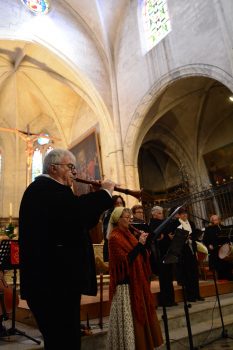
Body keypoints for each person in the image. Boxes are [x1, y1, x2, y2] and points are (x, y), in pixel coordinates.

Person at [19, 148, 115, 350]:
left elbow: (79, 222)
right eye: (70, 167)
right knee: (63, 341)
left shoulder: (53, 192)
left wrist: (97, 198)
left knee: (65, 340)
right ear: (53, 168)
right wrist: (106, 193)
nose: (75, 172)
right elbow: (74, 212)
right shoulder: (42, 190)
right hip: (52, 285)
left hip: (57, 284)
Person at [106, 207, 163, 350]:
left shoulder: (129, 234)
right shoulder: (114, 237)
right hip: (125, 286)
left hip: (137, 282)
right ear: (118, 220)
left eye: (130, 217)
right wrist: (139, 245)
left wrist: (143, 242)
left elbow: (140, 255)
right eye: (126, 217)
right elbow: (125, 261)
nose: (130, 219)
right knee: (130, 321)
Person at [172, 208, 204, 302]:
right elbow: (176, 237)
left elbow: (194, 235)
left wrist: (194, 236)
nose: (185, 216)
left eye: (186, 214)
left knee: (194, 273)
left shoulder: (191, 223)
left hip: (192, 250)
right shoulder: (176, 224)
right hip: (183, 251)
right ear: (179, 215)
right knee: (187, 274)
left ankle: (197, 294)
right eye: (183, 214)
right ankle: (190, 296)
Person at [149, 206, 177, 307]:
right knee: (164, 278)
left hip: (168, 251)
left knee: (169, 277)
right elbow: (156, 237)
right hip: (160, 253)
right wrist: (166, 236)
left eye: (162, 213)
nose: (162, 215)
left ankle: (171, 299)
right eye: (160, 213)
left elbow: (167, 232)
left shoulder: (164, 222)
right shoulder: (152, 223)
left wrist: (168, 236)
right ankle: (165, 300)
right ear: (154, 214)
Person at [203, 214, 233, 280]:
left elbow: (228, 238)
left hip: (224, 250)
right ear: (212, 221)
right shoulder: (208, 229)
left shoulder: (223, 227)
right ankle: (221, 279)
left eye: (217, 219)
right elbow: (205, 240)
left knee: (227, 265)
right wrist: (209, 245)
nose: (217, 221)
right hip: (215, 250)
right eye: (215, 220)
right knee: (219, 267)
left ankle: (229, 278)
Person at [102, 195, 125, 262]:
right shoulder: (108, 216)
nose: (119, 205)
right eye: (117, 204)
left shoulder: (125, 216)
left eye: (121, 203)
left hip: (122, 248)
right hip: (111, 249)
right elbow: (108, 234)